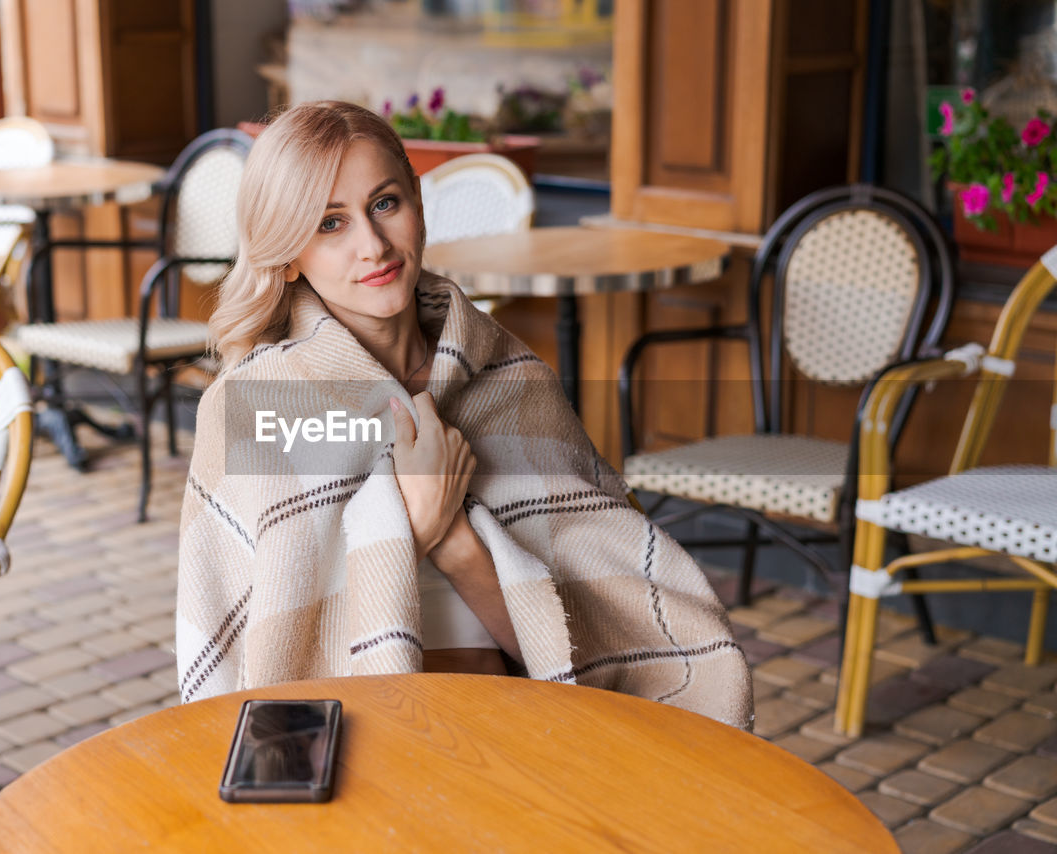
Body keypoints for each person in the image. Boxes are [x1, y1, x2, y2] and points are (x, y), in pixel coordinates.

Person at [177, 101, 753, 729]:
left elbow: (579, 654)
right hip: (351, 751)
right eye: (330, 224)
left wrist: (454, 543)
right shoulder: (248, 410)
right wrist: (413, 525)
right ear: (288, 256)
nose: (372, 245)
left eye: (384, 204)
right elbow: (257, 665)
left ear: (417, 201)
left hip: (517, 731)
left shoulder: (508, 376)